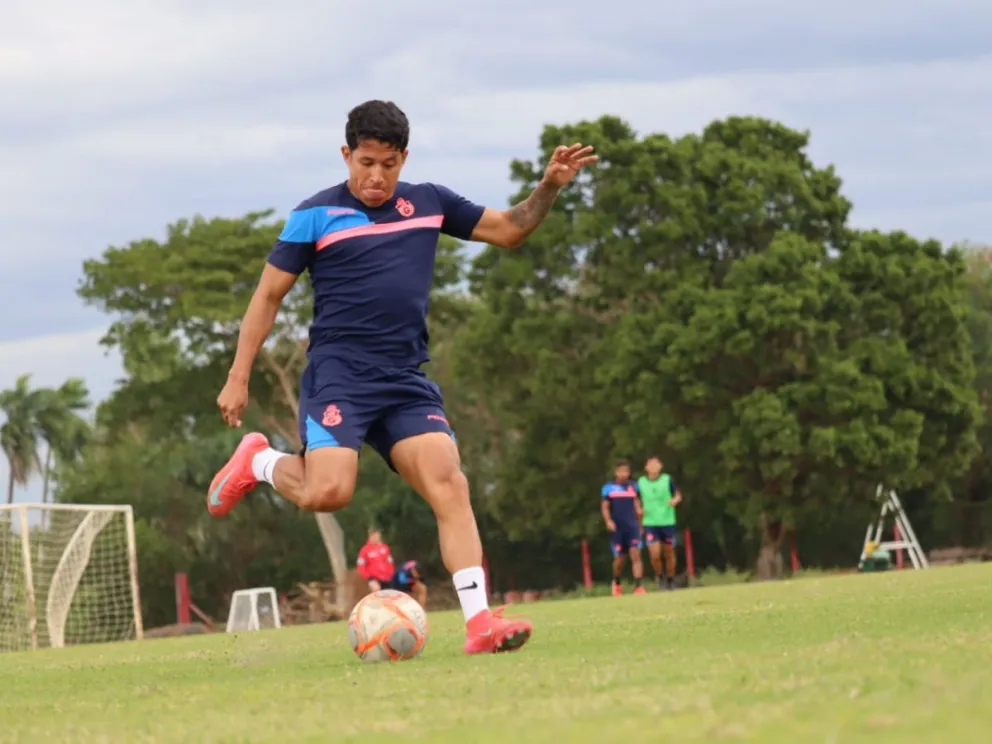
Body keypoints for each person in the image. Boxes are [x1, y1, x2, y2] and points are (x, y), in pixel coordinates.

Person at [206, 99, 597, 654]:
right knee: (330, 491)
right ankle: (260, 461)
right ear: (346, 155)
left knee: (450, 482)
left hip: (404, 378)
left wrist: (549, 186)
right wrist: (238, 375)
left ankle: (480, 622)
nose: (376, 176)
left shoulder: (430, 203)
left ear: (403, 158)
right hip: (340, 375)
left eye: (388, 164)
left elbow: (511, 230)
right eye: (366, 162)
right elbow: (268, 295)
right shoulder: (314, 215)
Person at [600, 459, 646, 596]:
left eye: (626, 471)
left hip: (632, 526)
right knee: (620, 558)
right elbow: (605, 507)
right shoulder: (608, 488)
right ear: (616, 472)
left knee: (636, 555)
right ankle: (616, 582)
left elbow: (637, 505)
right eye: (621, 471)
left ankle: (638, 586)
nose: (624, 474)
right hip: (618, 528)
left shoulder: (633, 486)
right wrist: (608, 521)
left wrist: (641, 522)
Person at [638, 456, 683, 590]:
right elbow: (635, 498)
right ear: (646, 468)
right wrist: (638, 509)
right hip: (650, 522)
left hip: (667, 520)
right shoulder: (641, 482)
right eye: (650, 465)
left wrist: (675, 500)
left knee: (669, 552)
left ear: (660, 467)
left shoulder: (667, 480)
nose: (653, 467)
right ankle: (660, 576)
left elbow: (678, 495)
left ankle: (671, 579)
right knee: (655, 554)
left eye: (656, 464)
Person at [356, 527, 429, 606]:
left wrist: (391, 574)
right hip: (374, 578)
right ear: (370, 536)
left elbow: (390, 563)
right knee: (376, 589)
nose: (377, 537)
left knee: (392, 597)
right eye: (375, 535)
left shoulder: (385, 548)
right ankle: (377, 610)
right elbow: (361, 565)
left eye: (378, 535)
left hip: (387, 577)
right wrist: (368, 577)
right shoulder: (364, 550)